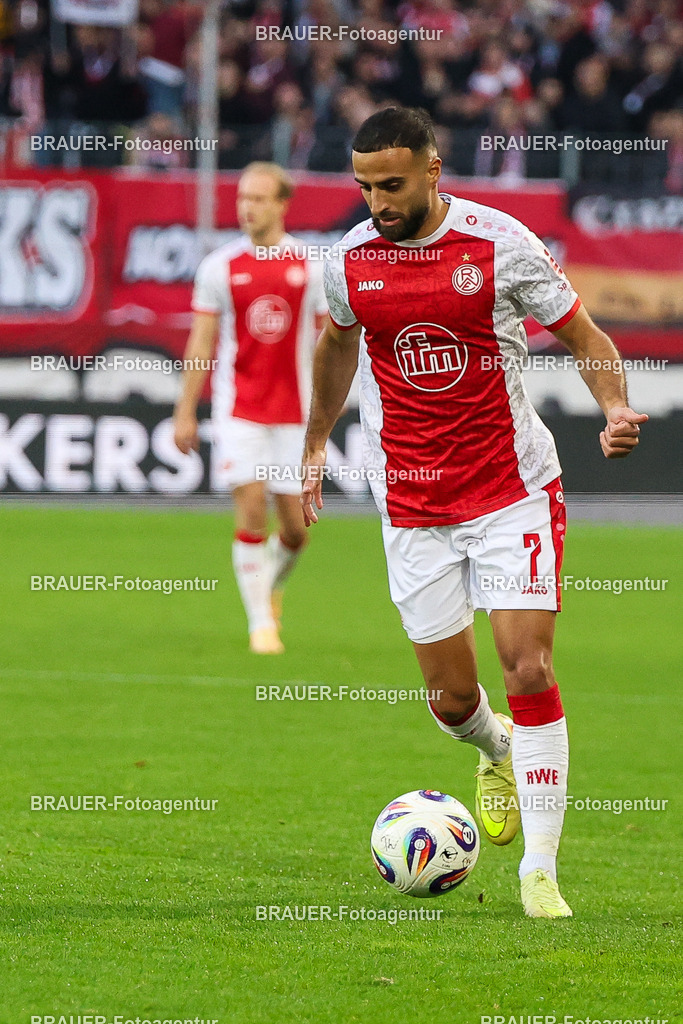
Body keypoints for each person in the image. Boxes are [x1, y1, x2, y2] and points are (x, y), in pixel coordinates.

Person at [301, 107, 647, 918]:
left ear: (432, 169)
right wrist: (314, 440)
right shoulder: (348, 260)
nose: (377, 202)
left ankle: (539, 871)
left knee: (527, 667)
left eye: (391, 185)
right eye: (364, 187)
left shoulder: (500, 244)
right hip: (410, 499)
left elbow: (584, 335)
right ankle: (494, 750)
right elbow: (337, 343)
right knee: (452, 700)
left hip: (509, 489)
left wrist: (614, 406)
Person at [174, 161, 327, 654]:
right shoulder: (219, 267)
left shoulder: (311, 266)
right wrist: (185, 410)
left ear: (282, 204)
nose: (247, 207)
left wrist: (331, 406)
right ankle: (261, 625)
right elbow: (201, 343)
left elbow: (332, 343)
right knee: (251, 509)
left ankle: (269, 589)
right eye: (242, 198)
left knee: (296, 532)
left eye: (258, 198)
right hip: (238, 411)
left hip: (295, 415)